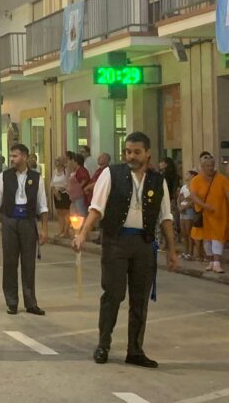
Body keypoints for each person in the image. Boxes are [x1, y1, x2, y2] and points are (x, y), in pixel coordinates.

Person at [73, 132, 178, 368]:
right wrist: (82, 233)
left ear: (147, 153)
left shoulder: (157, 180)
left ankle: (135, 350)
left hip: (144, 244)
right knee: (113, 295)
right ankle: (103, 345)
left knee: (139, 299)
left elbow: (166, 218)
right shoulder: (111, 174)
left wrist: (172, 251)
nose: (131, 156)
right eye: (128, 151)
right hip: (116, 242)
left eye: (136, 152)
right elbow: (96, 208)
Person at [0, 144, 49, 315]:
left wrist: (44, 229)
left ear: (25, 157)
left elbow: (43, 206)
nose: (12, 159)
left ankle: (30, 303)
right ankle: (11, 302)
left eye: (15, 156)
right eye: (11, 156)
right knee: (10, 263)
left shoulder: (37, 178)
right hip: (10, 222)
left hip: (28, 222)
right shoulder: (4, 177)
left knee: (29, 263)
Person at [189, 152, 229, 273]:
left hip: (219, 215)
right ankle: (211, 261)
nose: (210, 168)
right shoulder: (196, 180)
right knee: (206, 240)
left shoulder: (222, 179)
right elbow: (193, 196)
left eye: (212, 165)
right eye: (207, 166)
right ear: (202, 167)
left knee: (218, 238)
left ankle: (217, 262)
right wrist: (204, 206)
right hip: (203, 214)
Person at [178, 170, 198, 260]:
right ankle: (185, 251)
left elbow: (193, 199)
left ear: (193, 175)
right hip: (182, 210)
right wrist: (179, 207)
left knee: (189, 232)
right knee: (184, 232)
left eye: (187, 174)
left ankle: (190, 252)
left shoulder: (194, 187)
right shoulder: (183, 187)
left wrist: (185, 206)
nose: (186, 175)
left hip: (189, 210)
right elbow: (179, 197)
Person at [51, 157, 71, 238]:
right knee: (59, 213)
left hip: (64, 194)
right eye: (56, 161)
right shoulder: (54, 172)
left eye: (58, 161)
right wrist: (54, 191)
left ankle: (66, 231)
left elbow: (68, 183)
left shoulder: (66, 171)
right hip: (56, 194)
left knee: (66, 213)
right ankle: (61, 230)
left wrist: (60, 189)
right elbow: (52, 183)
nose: (57, 162)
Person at [67, 152, 91, 219]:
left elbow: (85, 179)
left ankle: (83, 227)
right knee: (76, 214)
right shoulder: (76, 170)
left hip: (80, 196)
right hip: (75, 197)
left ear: (76, 162)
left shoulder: (82, 170)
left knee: (81, 214)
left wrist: (77, 188)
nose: (71, 163)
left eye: (73, 161)